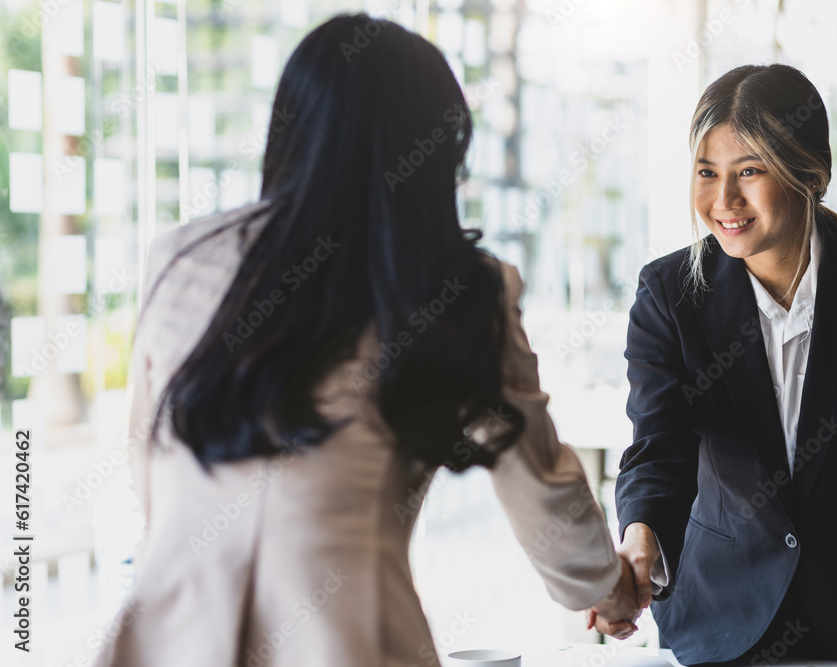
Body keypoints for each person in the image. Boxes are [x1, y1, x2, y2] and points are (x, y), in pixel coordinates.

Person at [94, 14, 639, 667]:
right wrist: (607, 589)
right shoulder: (455, 288)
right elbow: (540, 484)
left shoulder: (181, 257)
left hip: (165, 640)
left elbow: (147, 463)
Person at [590, 64, 837, 667]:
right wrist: (639, 547)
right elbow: (660, 445)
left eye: (749, 172)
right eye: (707, 173)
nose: (724, 201)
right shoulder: (669, 293)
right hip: (719, 623)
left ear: (807, 173)